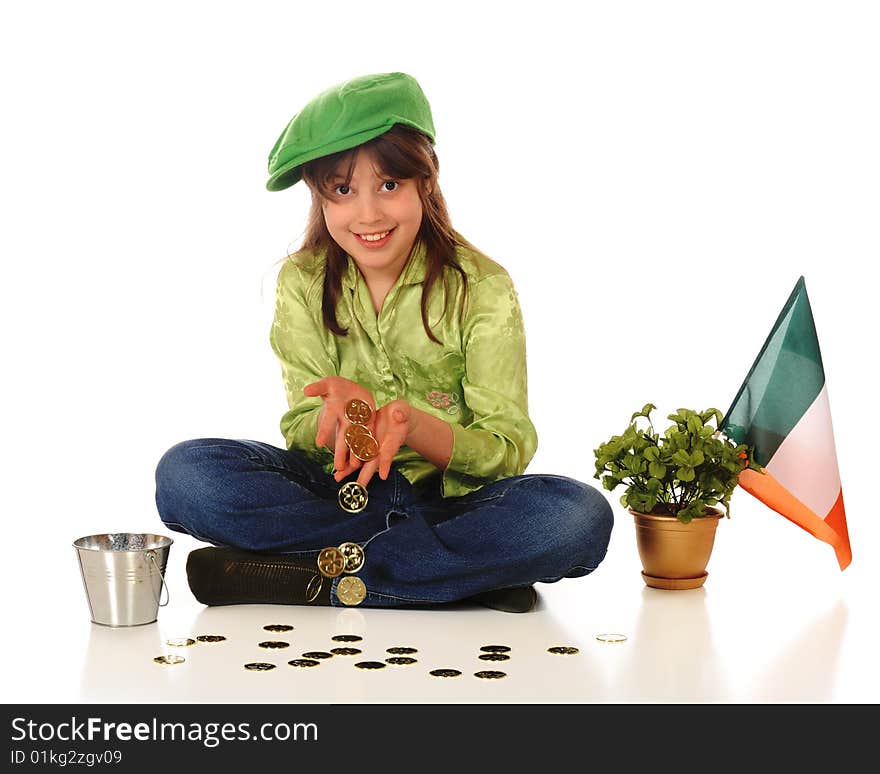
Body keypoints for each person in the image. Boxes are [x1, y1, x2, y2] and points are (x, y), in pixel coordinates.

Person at [154, 72, 613, 613]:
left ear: (426, 180)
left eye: (389, 185)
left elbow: (505, 450)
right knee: (186, 473)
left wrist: (412, 426)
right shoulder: (301, 281)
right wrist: (346, 420)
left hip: (450, 505)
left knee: (577, 516)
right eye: (343, 191)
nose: (368, 215)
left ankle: (313, 573)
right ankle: (453, 576)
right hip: (335, 498)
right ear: (319, 196)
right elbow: (302, 430)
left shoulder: (482, 287)